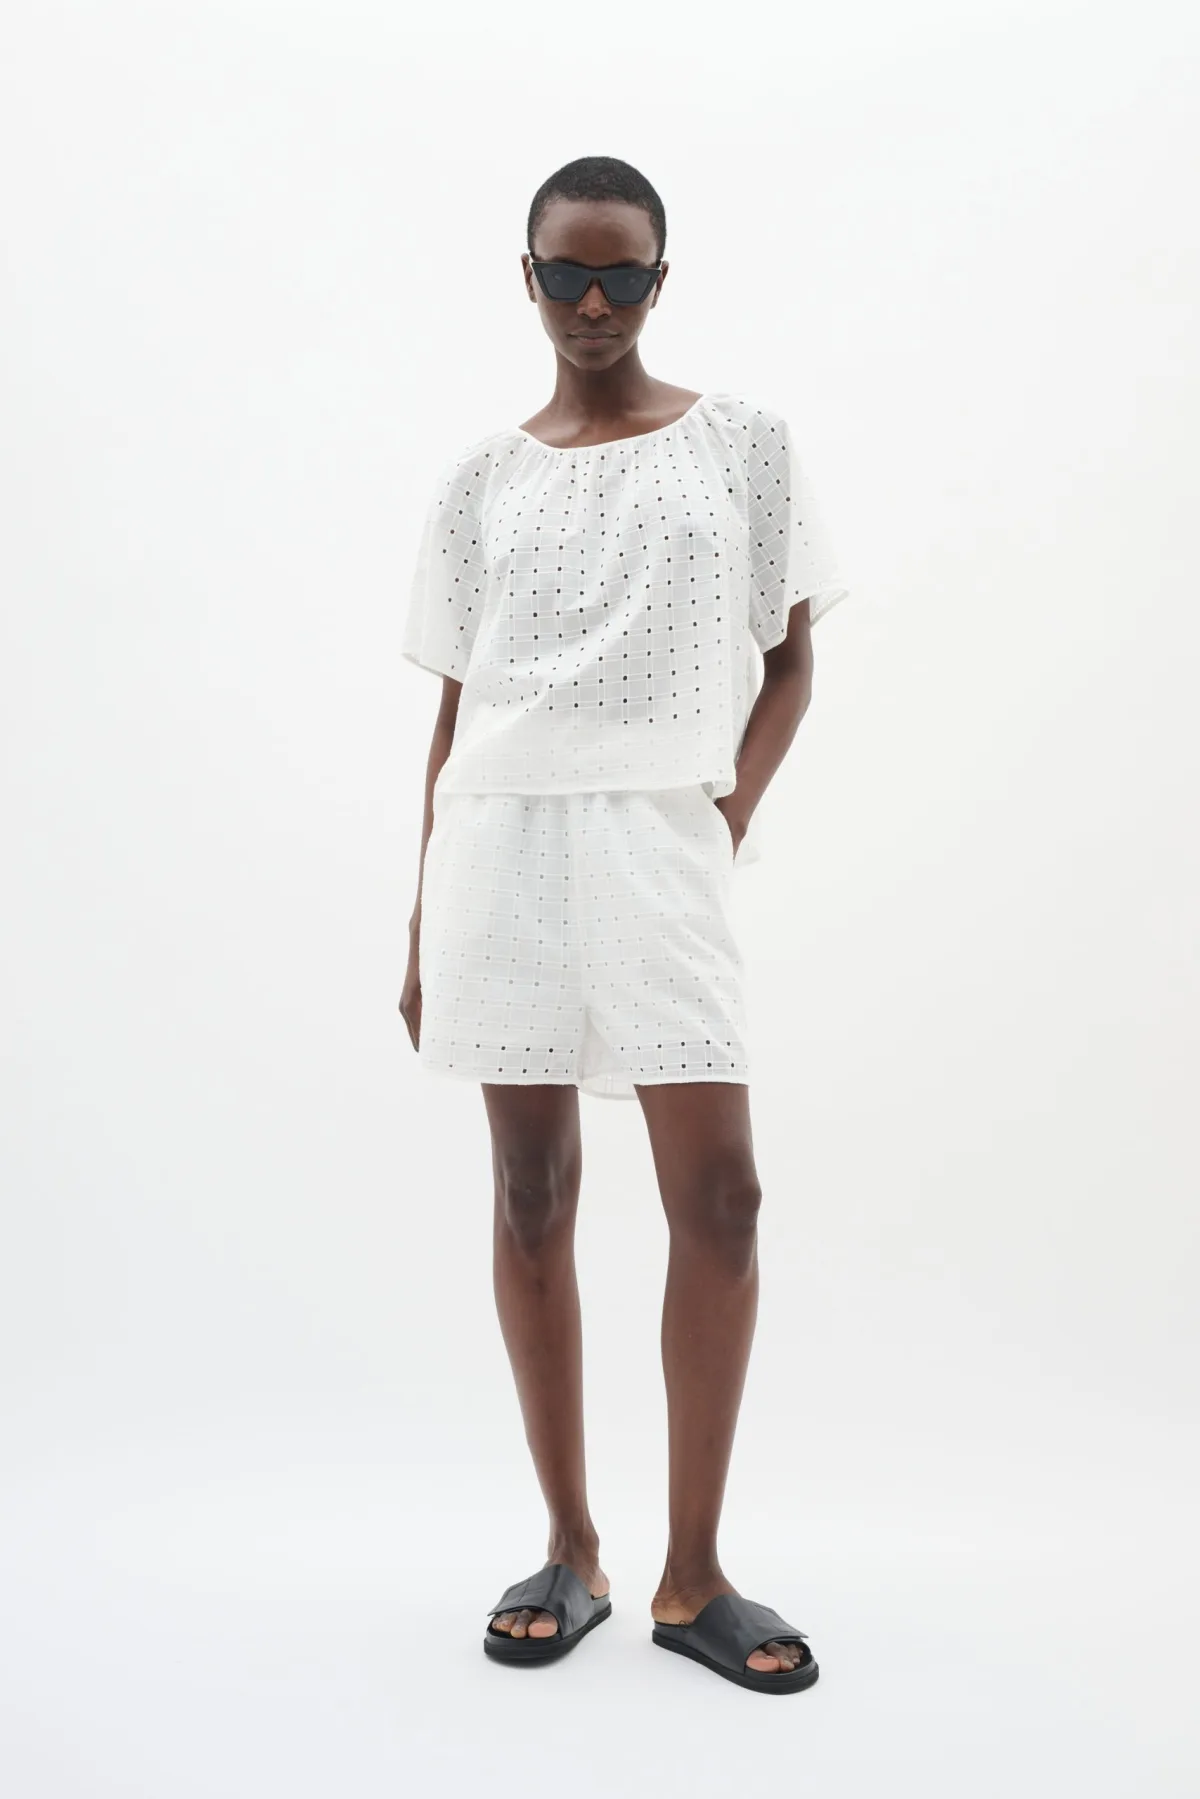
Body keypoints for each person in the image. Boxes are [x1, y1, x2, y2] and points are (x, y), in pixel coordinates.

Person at [399, 155, 848, 1694]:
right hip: (501, 847)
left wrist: (724, 816)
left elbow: (791, 661)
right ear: (526, 276)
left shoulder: (743, 443)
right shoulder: (480, 480)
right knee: (532, 1190)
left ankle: (694, 1571)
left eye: (624, 275)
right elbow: (457, 715)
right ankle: (571, 1547)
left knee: (721, 1195)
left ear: (663, 279)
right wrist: (420, 916)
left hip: (660, 840)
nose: (595, 302)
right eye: (568, 273)